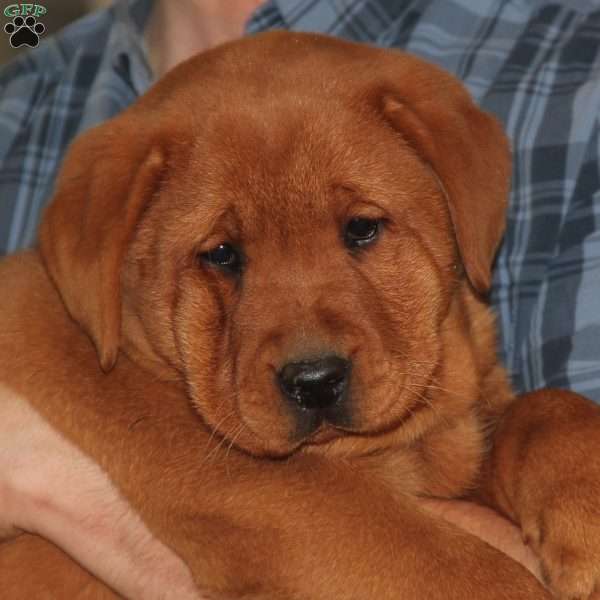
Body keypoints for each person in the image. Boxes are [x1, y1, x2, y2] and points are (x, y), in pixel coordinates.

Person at [1, 0, 599, 595]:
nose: (308, 357)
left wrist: (552, 443)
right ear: (115, 255)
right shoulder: (23, 95)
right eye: (222, 258)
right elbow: (280, 535)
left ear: (460, 200)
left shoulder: (571, 66)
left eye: (361, 229)